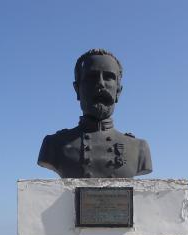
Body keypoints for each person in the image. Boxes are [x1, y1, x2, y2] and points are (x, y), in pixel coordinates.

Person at [37, 49, 152, 178]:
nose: (101, 84)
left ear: (118, 91)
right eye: (91, 77)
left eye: (109, 77)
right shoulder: (54, 145)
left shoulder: (138, 148)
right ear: (77, 90)